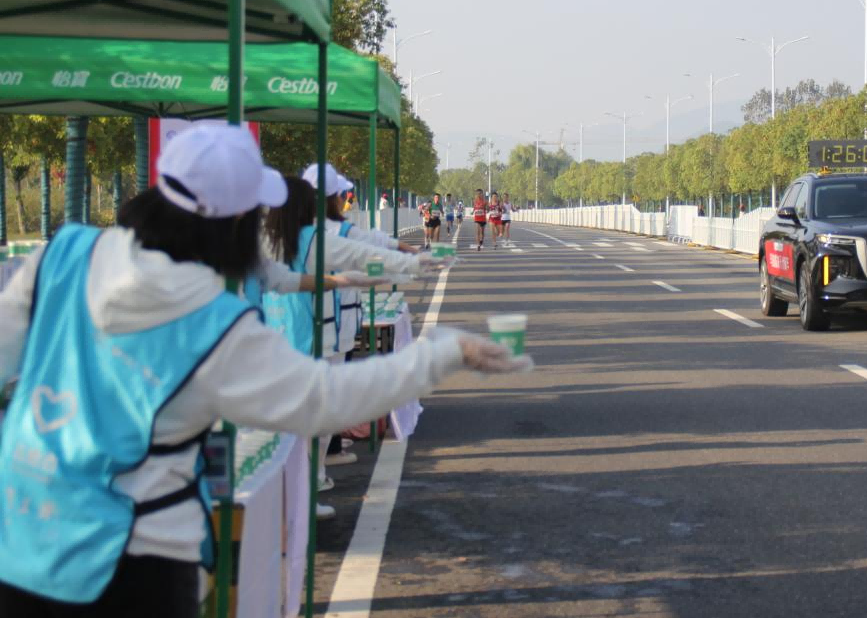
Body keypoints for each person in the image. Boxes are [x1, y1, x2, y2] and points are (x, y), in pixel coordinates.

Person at [0, 123, 527, 617]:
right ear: (234, 222)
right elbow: (323, 399)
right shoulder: (215, 324)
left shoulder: (60, 256)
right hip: (133, 562)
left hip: (18, 536)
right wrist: (441, 354)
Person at [264, 175, 446, 499]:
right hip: (315, 338)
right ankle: (308, 486)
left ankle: (294, 490)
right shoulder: (312, 239)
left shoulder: (263, 241)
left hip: (275, 341)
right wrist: (411, 265)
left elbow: (299, 279)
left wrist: (343, 280)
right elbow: (362, 257)